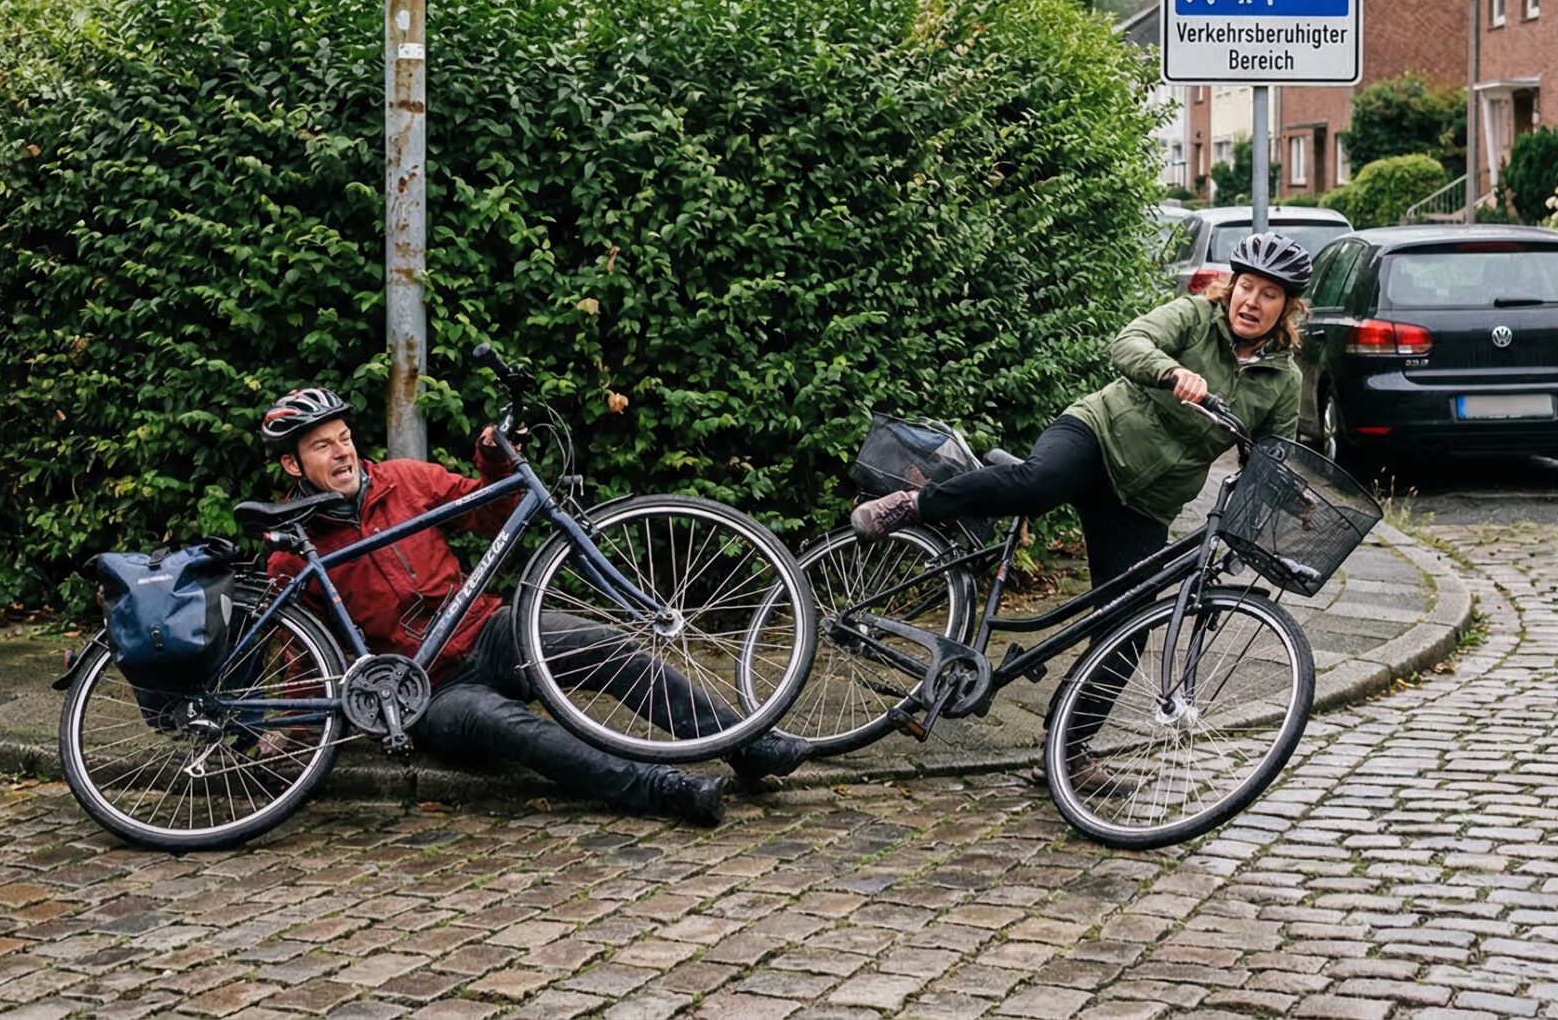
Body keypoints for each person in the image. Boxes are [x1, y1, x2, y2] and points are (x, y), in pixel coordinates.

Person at [252, 388, 811, 826]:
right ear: (294, 467)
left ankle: (746, 744)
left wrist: (494, 459)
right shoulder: (294, 553)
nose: (342, 452)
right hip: (429, 689)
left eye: (344, 437)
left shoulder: (403, 480)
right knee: (514, 728)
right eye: (322, 446)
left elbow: (490, 512)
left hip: (486, 628)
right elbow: (308, 661)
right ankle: (660, 787)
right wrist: (299, 738)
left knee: (603, 646)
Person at [851, 231, 1308, 586]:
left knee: (1126, 627)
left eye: (1269, 294)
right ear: (1232, 287)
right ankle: (911, 505)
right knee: (1036, 484)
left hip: (1148, 501)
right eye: (1246, 286)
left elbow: (1270, 455)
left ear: (1286, 307)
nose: (1252, 301)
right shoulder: (1194, 316)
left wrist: (1294, 498)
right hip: (1099, 436)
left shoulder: (1284, 381)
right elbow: (1129, 343)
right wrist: (1171, 373)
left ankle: (1075, 713)